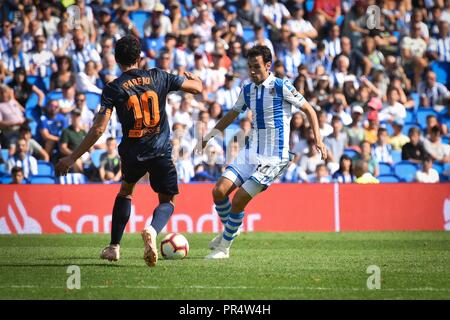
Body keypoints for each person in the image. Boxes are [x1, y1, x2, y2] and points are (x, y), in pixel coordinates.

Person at [56, 35, 202, 267]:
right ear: (140, 56)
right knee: (168, 200)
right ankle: (152, 230)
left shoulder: (113, 88)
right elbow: (196, 88)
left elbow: (98, 129)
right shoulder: (158, 76)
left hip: (133, 152)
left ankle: (114, 247)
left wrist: (72, 158)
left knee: (125, 191)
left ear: (116, 59)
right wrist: (196, 80)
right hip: (161, 150)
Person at [198, 45, 327, 259]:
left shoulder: (281, 86)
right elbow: (232, 114)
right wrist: (210, 135)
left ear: (268, 65)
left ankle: (224, 249)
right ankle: (232, 228)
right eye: (249, 67)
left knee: (239, 199)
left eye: (256, 67)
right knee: (219, 191)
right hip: (251, 151)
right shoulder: (247, 90)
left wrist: (319, 140)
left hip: (274, 157)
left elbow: (309, 110)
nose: (252, 71)